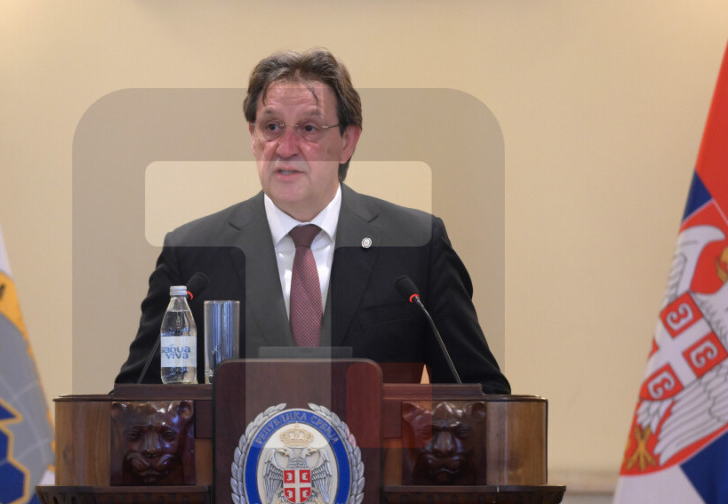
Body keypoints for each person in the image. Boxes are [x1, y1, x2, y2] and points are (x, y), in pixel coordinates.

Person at [115, 48, 509, 394]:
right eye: (272, 127)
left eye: (308, 128)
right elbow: (134, 403)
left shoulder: (416, 245)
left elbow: (481, 393)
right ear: (253, 136)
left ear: (347, 141)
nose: (286, 148)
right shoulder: (195, 255)